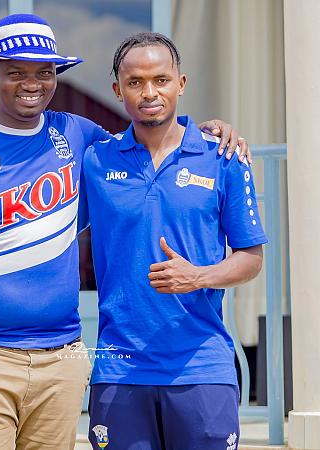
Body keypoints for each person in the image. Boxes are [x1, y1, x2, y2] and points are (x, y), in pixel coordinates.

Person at [0, 14, 246, 449]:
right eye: (16, 72)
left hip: (60, 360)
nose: (32, 84)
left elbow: (148, 141)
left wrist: (211, 131)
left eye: (44, 72)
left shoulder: (78, 134)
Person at [80, 33, 267, 450]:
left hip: (202, 368)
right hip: (119, 369)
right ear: (118, 90)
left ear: (181, 84)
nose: (149, 92)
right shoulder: (95, 160)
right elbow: (46, 226)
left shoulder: (224, 157)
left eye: (161, 80)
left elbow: (251, 258)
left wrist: (197, 276)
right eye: (135, 82)